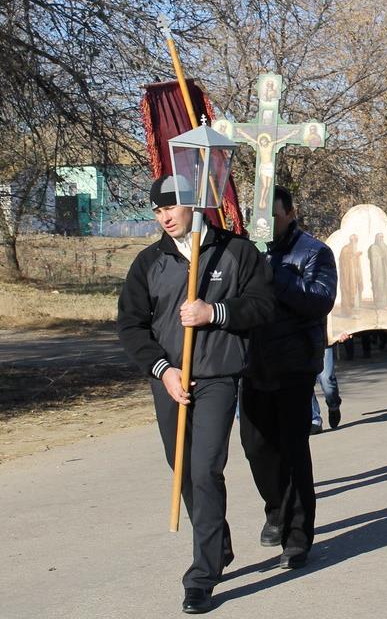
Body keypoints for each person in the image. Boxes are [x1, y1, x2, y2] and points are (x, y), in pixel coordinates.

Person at [117, 176, 275, 615]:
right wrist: (162, 370)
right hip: (170, 379)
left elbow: (264, 305)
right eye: (156, 210)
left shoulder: (236, 251)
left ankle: (202, 575)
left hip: (219, 376)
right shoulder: (150, 261)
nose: (164, 217)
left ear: (194, 204)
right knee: (182, 468)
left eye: (171, 207)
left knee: (206, 468)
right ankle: (218, 542)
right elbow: (131, 326)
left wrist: (214, 312)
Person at [240, 186, 337, 573]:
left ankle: (298, 536)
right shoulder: (246, 252)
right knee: (256, 447)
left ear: (290, 212)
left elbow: (319, 299)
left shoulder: (314, 251)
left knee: (294, 451)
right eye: (258, 216)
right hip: (251, 361)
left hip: (295, 363)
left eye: (273, 215)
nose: (264, 223)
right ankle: (276, 509)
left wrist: (274, 276)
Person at [310, 342, 342, 434]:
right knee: (306, 382)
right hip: (299, 342)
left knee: (327, 379)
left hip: (323, 339)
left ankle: (333, 405)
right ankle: (314, 419)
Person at [367, 232, 387, 310]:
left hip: (386, 271)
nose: (381, 239)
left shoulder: (384, 246)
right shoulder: (373, 247)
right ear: (376, 238)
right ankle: (380, 304)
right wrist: (381, 257)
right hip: (379, 272)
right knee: (379, 286)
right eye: (380, 237)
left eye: (382, 237)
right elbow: (375, 259)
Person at [337, 234, 363, 316]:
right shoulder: (345, 249)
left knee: (355, 293)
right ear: (350, 240)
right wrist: (355, 255)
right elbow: (344, 261)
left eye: (356, 240)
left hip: (354, 276)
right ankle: (347, 313)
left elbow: (355, 262)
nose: (355, 242)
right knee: (347, 292)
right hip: (347, 276)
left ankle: (353, 312)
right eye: (353, 240)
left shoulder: (354, 249)